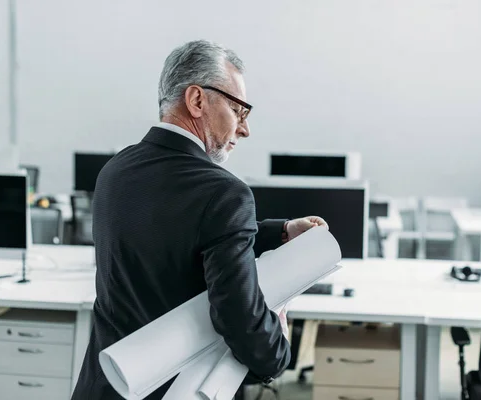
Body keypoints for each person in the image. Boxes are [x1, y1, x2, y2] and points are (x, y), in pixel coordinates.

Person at [71, 40, 328, 399]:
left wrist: (282, 232)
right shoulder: (224, 192)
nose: (244, 129)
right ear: (196, 100)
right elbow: (240, 321)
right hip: (183, 389)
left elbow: (172, 233)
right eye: (239, 110)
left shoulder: (115, 170)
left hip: (108, 387)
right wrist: (278, 354)